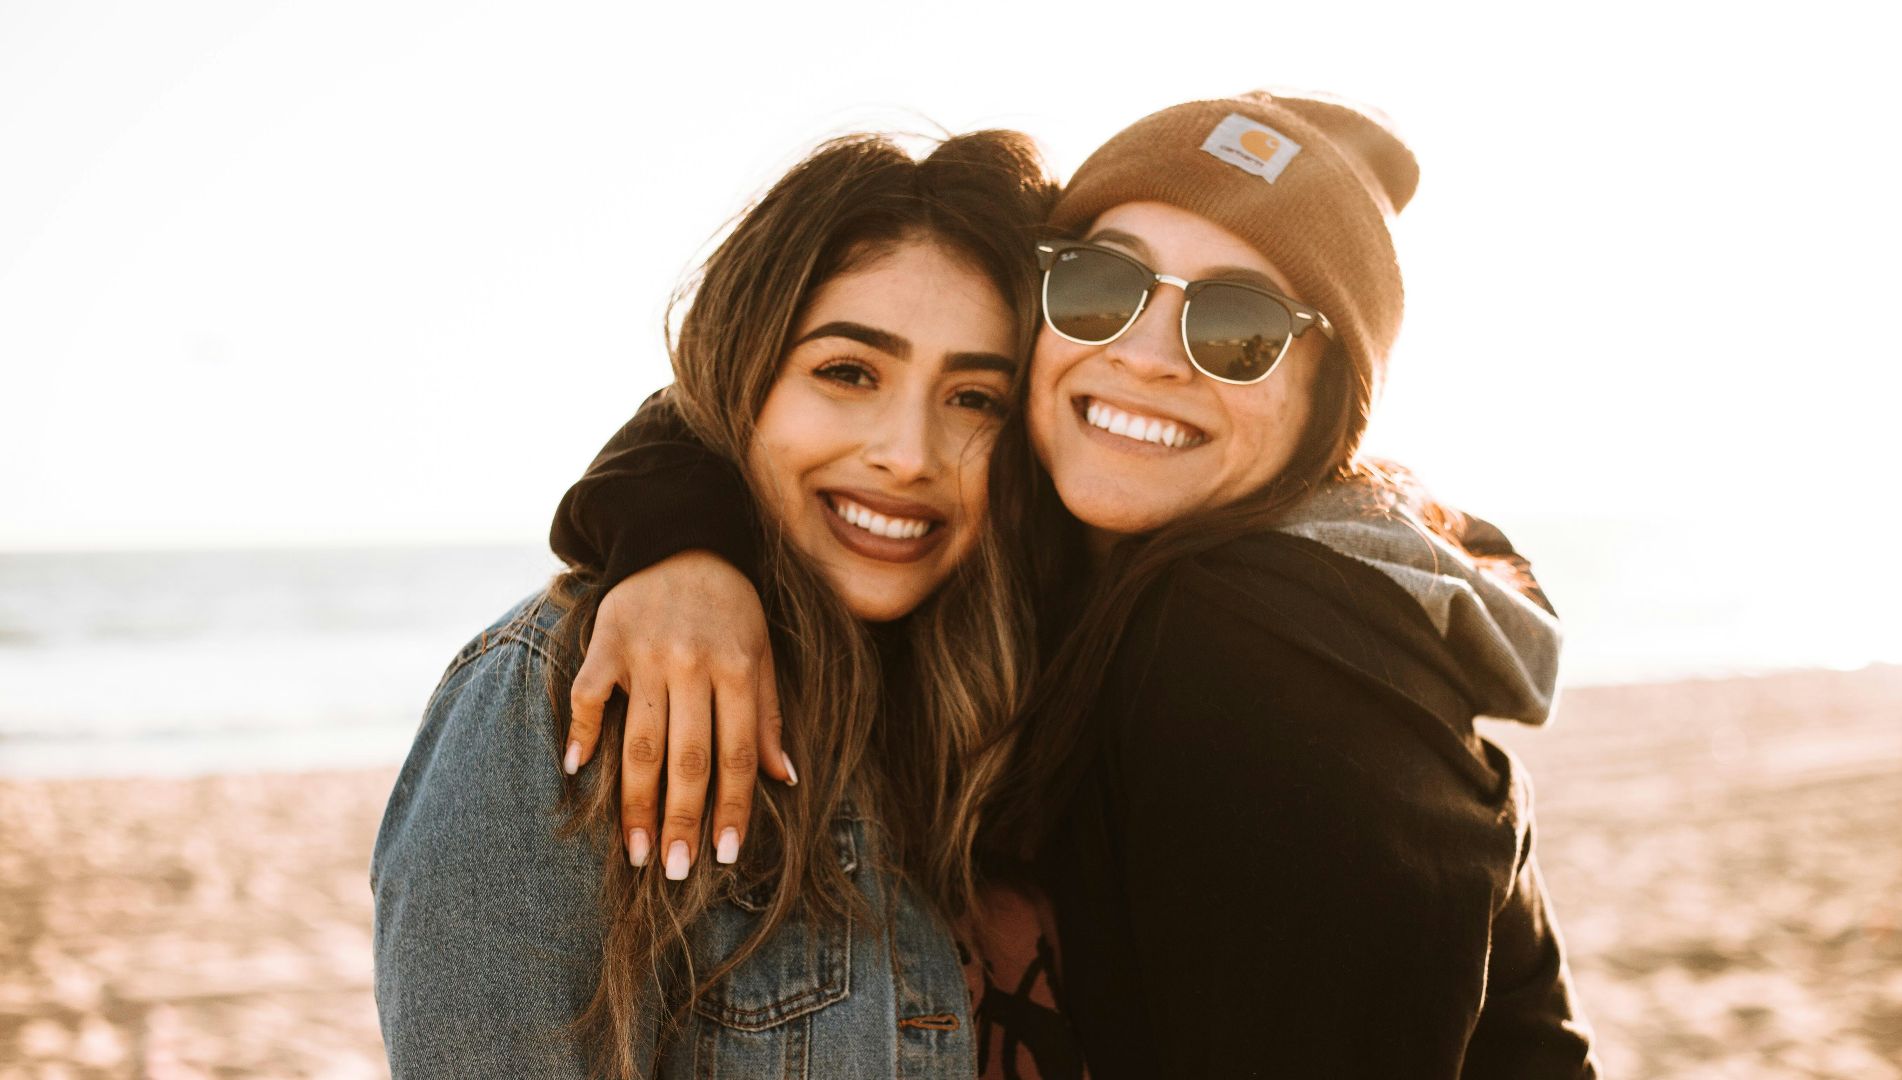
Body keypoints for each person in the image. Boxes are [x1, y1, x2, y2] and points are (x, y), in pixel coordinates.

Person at [542, 92, 1602, 1077]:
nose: (1145, 355)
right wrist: (687, 546)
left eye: (1240, 327)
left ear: (1331, 399)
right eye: (1103, 287)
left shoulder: (1259, 639)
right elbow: (749, 388)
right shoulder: (1059, 544)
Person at [369, 128, 1084, 1079]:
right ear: (742, 380)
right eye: (848, 373)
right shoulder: (560, 701)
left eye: (975, 399)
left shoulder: (1023, 687)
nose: (909, 454)